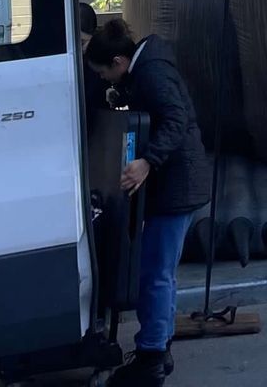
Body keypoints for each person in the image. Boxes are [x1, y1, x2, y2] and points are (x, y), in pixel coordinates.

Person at [85, 20, 213, 384]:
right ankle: (161, 346)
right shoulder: (146, 69)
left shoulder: (153, 72)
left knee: (154, 273)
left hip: (176, 184)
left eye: (105, 73)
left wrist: (146, 161)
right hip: (178, 182)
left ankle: (151, 357)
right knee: (162, 271)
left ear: (120, 60)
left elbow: (175, 119)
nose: (107, 81)